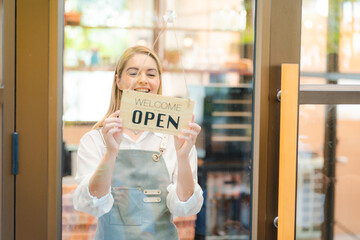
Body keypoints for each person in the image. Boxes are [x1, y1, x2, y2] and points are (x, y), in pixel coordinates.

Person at [73, 45, 204, 239]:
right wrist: (110, 153)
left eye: (151, 74)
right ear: (118, 80)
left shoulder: (177, 139)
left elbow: (186, 207)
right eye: (133, 73)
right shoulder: (95, 140)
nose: (143, 80)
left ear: (158, 82)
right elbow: (91, 204)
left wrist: (183, 156)